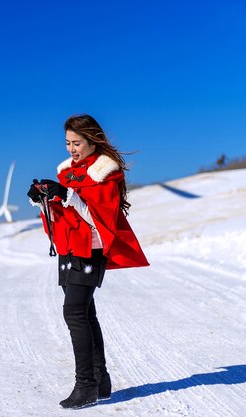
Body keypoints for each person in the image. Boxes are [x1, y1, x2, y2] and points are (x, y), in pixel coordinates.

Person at [27, 114, 149, 409]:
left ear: (92, 140)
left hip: (90, 250)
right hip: (69, 248)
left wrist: (68, 196)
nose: (71, 149)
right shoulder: (67, 172)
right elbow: (63, 213)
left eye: (77, 143)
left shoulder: (105, 173)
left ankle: (86, 386)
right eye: (68, 143)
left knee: (74, 313)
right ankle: (100, 379)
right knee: (85, 313)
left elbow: (98, 219)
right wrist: (42, 199)